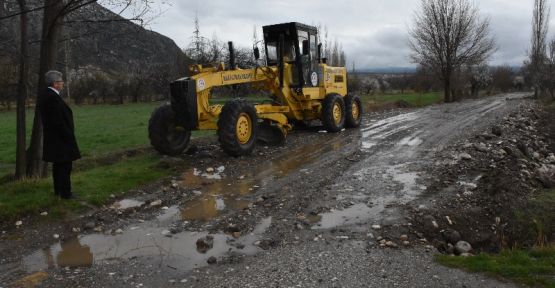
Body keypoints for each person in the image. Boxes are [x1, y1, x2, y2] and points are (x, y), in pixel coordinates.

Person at [39, 70, 81, 199]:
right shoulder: (52, 98)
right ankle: (65, 193)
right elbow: (57, 121)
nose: (63, 84)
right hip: (60, 139)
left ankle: (59, 191)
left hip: (55, 139)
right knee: (64, 166)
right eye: (61, 81)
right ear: (55, 83)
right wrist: (68, 135)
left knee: (58, 166)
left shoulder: (49, 95)